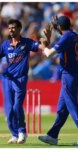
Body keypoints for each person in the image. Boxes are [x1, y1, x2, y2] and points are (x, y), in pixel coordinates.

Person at [0, 19, 46, 144]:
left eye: (13, 28)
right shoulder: (5, 44)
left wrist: (46, 40)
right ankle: (14, 134)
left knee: (17, 106)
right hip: (8, 79)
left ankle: (22, 132)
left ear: (19, 29)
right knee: (9, 109)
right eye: (9, 28)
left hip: (20, 79)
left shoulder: (27, 43)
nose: (11, 30)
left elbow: (41, 47)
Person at [38, 15, 78, 146]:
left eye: (57, 28)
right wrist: (50, 36)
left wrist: (44, 46)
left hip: (69, 75)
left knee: (72, 107)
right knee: (62, 108)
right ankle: (52, 136)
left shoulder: (66, 37)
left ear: (60, 27)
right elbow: (60, 43)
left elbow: (49, 54)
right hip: (73, 74)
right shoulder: (74, 35)